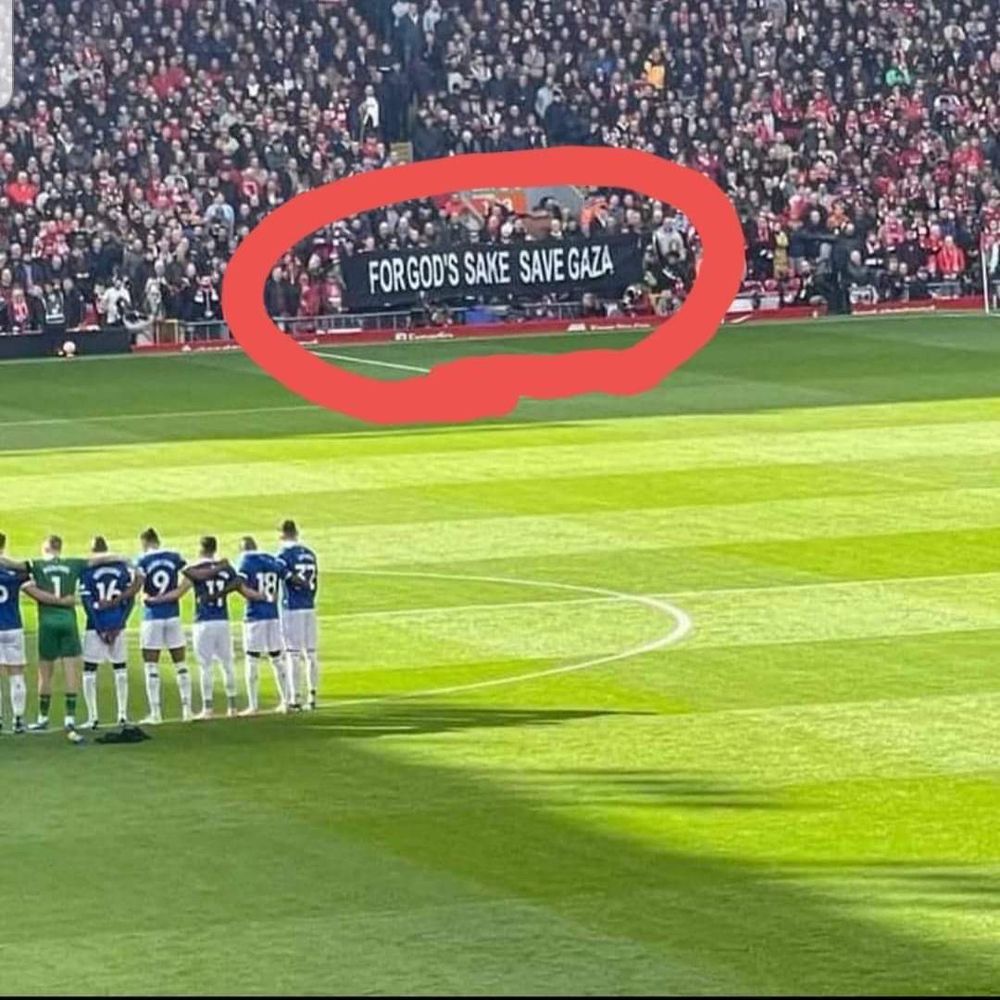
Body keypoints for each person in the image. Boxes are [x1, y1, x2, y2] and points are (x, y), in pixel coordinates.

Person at [149, 538, 239, 719]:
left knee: (205, 666)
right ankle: (233, 707)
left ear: (200, 548)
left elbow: (178, 592)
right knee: (227, 664)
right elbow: (238, 583)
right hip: (223, 620)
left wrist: (156, 599)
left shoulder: (195, 570)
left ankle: (208, 708)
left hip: (203, 621)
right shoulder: (225, 568)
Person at [0, 532, 80, 734]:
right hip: (14, 626)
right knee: (17, 674)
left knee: (41, 672)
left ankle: (8, 720)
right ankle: (19, 720)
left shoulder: (28, 568)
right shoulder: (16, 575)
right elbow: (32, 586)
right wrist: (63, 600)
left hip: (40, 624)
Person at [79, 536, 142, 729]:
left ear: (92, 551)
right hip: (117, 623)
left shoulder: (87, 570)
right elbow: (130, 599)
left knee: (90, 671)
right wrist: (120, 624)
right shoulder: (122, 569)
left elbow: (87, 603)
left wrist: (99, 628)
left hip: (95, 626)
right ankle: (122, 715)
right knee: (120, 669)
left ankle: (92, 718)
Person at [134, 527, 192, 724]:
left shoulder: (142, 560)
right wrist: (175, 594)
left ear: (144, 542)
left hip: (152, 617)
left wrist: (145, 597)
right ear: (157, 540)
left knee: (151, 665)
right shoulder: (174, 556)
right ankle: (187, 710)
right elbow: (189, 579)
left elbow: (138, 583)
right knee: (180, 663)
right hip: (173, 615)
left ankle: (156, 713)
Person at [230, 537, 293, 715]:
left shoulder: (245, 560)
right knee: (277, 658)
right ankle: (286, 701)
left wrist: (254, 595)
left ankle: (253, 705)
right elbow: (286, 575)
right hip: (273, 615)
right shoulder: (272, 560)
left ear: (242, 549)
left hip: (254, 616)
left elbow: (238, 583)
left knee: (252, 658)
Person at [276, 520, 319, 711]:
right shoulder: (310, 554)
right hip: (309, 606)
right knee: (311, 653)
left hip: (292, 607)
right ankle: (313, 696)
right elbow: (316, 581)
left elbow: (285, 576)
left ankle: (295, 698)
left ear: (282, 534)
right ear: (296, 532)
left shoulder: (283, 555)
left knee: (292, 653)